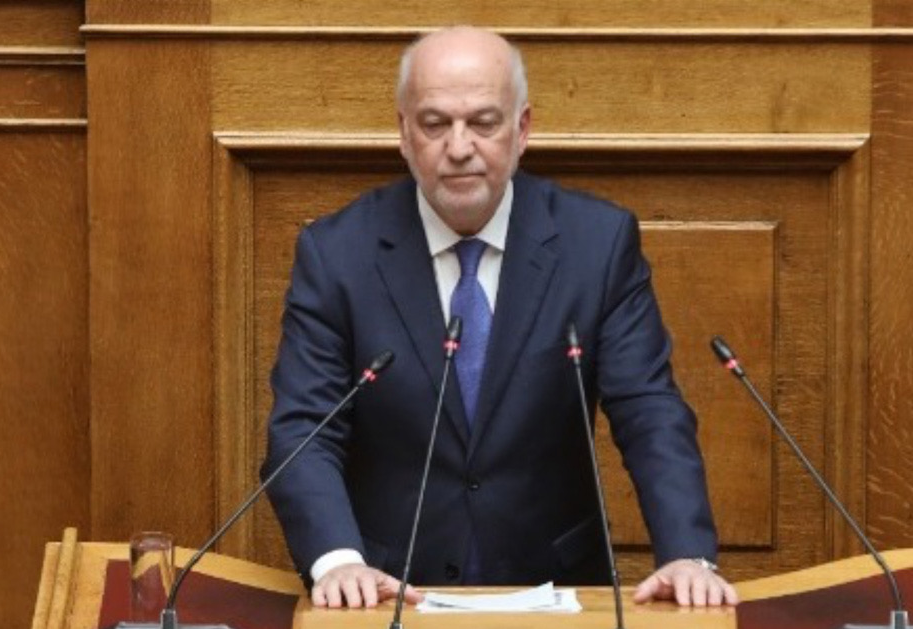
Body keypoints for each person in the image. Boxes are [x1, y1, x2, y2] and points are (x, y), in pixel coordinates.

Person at [262, 26, 739, 610]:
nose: (459, 146)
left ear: (522, 129)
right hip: (387, 596)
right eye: (435, 124)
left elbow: (649, 411)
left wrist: (688, 554)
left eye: (483, 123)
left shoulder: (597, 244)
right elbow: (305, 429)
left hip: (557, 593)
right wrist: (338, 561)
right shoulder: (337, 254)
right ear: (404, 134)